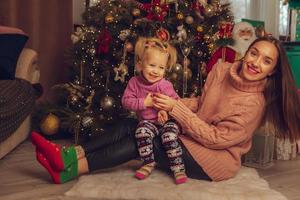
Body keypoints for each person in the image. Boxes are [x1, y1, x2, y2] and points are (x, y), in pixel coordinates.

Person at [31, 36, 300, 185]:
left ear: (273, 70)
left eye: (266, 61)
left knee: (142, 140)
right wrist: (170, 104)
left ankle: (68, 170)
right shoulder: (223, 72)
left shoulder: (254, 104)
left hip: (214, 159)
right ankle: (69, 155)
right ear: (246, 53)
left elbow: (217, 139)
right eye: (254, 53)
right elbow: (202, 103)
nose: (256, 63)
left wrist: (175, 110)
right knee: (131, 126)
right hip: (193, 137)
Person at [121, 37, 187, 184]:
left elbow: (176, 103)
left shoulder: (165, 85)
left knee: (169, 136)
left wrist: (166, 111)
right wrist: (145, 102)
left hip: (168, 121)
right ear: (140, 65)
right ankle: (148, 162)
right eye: (152, 65)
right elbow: (126, 101)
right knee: (141, 132)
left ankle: (178, 167)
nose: (156, 71)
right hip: (148, 122)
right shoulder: (134, 82)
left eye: (161, 68)